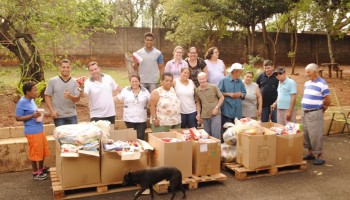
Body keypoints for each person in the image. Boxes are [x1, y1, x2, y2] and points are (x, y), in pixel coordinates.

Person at [15, 81, 51, 180]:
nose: (37, 92)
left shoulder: (31, 100)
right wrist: (32, 116)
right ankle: (35, 173)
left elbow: (35, 111)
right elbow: (17, 117)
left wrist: (45, 114)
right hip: (32, 131)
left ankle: (41, 169)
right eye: (34, 90)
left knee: (42, 151)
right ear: (27, 92)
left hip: (39, 129)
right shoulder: (22, 102)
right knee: (35, 152)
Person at [302, 63, 331, 165]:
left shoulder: (322, 84)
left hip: (315, 113)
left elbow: (327, 100)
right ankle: (310, 153)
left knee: (315, 135)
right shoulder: (307, 83)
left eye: (308, 72)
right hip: (305, 112)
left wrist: (322, 108)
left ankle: (319, 156)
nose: (307, 74)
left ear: (315, 72)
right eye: (306, 72)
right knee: (306, 134)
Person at [44, 59, 81, 127]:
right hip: (58, 116)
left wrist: (69, 96)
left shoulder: (75, 82)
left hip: (72, 115)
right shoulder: (53, 81)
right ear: (60, 68)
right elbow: (47, 96)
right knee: (61, 137)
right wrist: (52, 111)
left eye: (67, 67)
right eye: (63, 67)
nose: (65, 69)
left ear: (70, 68)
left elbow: (77, 100)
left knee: (73, 137)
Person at [117, 74, 150, 140]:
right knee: (131, 137)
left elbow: (151, 100)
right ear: (130, 82)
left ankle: (141, 150)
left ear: (139, 82)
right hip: (129, 118)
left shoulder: (145, 91)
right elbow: (118, 98)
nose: (134, 83)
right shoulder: (126, 90)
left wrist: (147, 107)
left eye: (136, 81)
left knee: (140, 137)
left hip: (141, 118)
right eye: (132, 82)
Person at [195, 72, 224, 140]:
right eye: (200, 79)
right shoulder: (197, 90)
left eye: (203, 79)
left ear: (206, 78)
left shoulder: (213, 87)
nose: (202, 81)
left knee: (215, 135)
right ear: (197, 79)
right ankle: (209, 150)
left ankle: (216, 150)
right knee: (207, 135)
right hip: (205, 115)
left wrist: (217, 108)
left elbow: (222, 97)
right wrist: (198, 113)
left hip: (215, 114)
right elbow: (197, 102)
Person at [218, 63, 246, 132]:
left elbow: (244, 93)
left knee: (237, 130)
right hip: (227, 110)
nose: (241, 73)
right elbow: (218, 93)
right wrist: (229, 94)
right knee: (227, 130)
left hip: (237, 110)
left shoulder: (240, 81)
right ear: (235, 71)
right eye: (240, 72)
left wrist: (241, 94)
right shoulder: (224, 80)